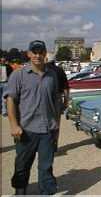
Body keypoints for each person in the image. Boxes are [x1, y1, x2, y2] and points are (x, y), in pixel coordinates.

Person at [4, 40, 61, 195]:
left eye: (40, 52)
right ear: (28, 54)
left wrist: (57, 127)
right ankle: (20, 192)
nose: (37, 55)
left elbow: (56, 101)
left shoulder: (52, 76)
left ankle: (46, 192)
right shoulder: (18, 75)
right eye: (34, 52)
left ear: (45, 54)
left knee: (46, 167)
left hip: (48, 130)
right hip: (26, 131)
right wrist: (14, 125)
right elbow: (10, 100)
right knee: (22, 166)